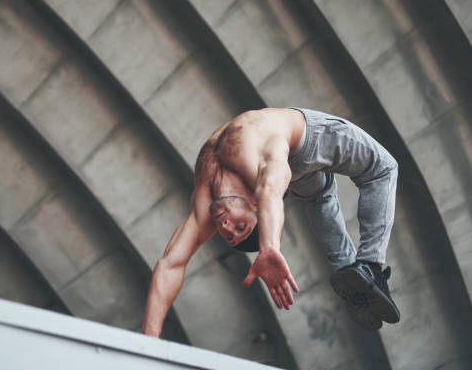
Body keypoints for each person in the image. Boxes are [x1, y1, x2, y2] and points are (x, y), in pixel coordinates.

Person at [141, 107, 400, 334]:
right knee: (382, 169)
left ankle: (349, 269)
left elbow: (172, 263)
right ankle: (369, 265)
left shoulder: (206, 202)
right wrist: (149, 343)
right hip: (307, 142)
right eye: (240, 228)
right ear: (254, 204)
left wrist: (269, 248)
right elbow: (270, 192)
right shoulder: (262, 173)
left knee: (320, 197)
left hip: (292, 161)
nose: (226, 226)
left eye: (230, 233)